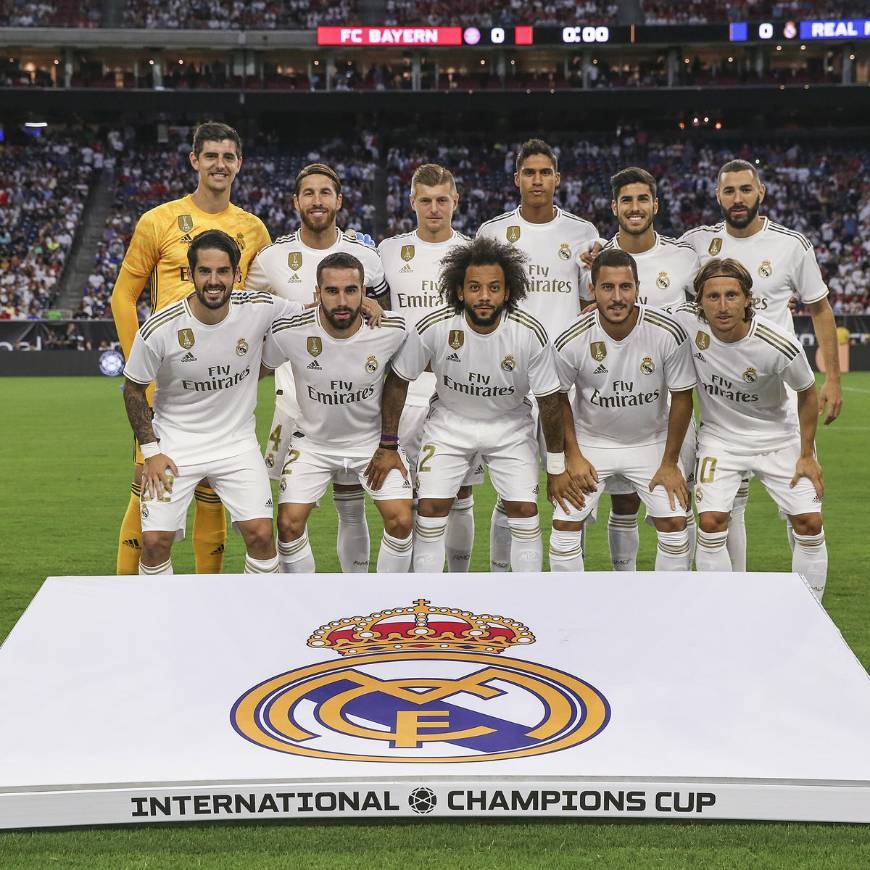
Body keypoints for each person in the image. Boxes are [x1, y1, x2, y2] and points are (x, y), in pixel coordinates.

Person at [111, 121, 271, 575]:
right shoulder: (158, 221)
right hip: (167, 380)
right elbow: (123, 296)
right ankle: (129, 595)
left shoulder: (253, 230)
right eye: (211, 156)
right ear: (194, 160)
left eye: (229, 156)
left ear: (239, 164)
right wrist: (138, 368)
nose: (220, 164)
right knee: (148, 485)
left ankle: (207, 598)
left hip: (222, 383)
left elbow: (261, 307)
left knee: (213, 493)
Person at [370, 236, 583, 574]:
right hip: (450, 424)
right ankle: (430, 600)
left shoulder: (529, 332)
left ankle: (526, 601)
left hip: (510, 425)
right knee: (430, 509)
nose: (484, 296)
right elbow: (398, 381)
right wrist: (388, 445)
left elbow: (551, 401)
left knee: (525, 512)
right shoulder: (434, 326)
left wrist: (556, 467)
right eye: (475, 287)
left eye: (494, 288)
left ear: (508, 292)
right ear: (459, 291)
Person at [679, 158, 841, 571]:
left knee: (800, 506)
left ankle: (806, 603)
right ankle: (734, 596)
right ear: (717, 196)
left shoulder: (790, 245)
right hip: (722, 398)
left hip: (780, 396)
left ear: (761, 193)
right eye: (729, 191)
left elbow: (820, 309)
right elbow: (652, 262)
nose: (737, 199)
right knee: (725, 507)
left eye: (745, 190)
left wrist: (833, 380)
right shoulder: (696, 243)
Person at [122, 230, 303, 576]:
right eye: (205, 271)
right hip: (175, 445)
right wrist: (151, 451)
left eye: (223, 272)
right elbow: (133, 389)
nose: (214, 281)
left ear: (237, 274)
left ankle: (261, 621)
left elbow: (315, 313)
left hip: (236, 445)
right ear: (191, 275)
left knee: (262, 535)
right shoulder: (160, 328)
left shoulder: (261, 308)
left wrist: (367, 304)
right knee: (156, 542)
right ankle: (158, 623)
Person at [245, 163, 388, 574]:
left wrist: (374, 306)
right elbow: (249, 313)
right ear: (296, 202)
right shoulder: (271, 259)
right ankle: (302, 602)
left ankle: (355, 591)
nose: (317, 200)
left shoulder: (366, 255)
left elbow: (384, 320)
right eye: (308, 193)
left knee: (351, 503)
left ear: (339, 201)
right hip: (293, 402)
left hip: (353, 403)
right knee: (290, 518)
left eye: (325, 192)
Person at [476, 138, 599, 571]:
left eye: (545, 172)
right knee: (514, 492)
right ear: (517, 180)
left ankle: (570, 572)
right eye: (529, 172)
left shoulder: (584, 235)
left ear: (558, 179)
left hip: (566, 381)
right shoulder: (492, 233)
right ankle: (501, 577)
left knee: (576, 485)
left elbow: (592, 300)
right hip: (511, 378)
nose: (537, 180)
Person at [674, 259, 827, 599]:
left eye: (732, 295)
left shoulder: (779, 344)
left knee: (809, 524)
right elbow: (642, 314)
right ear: (699, 301)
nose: (723, 305)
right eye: (713, 296)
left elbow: (806, 392)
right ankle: (723, 607)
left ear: (748, 299)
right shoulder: (685, 322)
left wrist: (806, 454)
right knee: (712, 523)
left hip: (778, 437)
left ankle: (812, 612)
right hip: (720, 439)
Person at [261, 252, 412, 574]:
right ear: (318, 294)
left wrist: (388, 444)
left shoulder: (392, 328)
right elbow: (257, 369)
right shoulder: (289, 332)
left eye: (351, 290)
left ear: (364, 293)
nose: (342, 300)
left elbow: (404, 379)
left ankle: (386, 600)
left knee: (401, 520)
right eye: (332, 291)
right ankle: (305, 605)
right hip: (313, 444)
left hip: (370, 443)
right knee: (288, 526)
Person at [550, 248, 696, 572]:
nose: (617, 297)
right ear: (592, 290)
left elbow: (682, 397)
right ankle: (566, 610)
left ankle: (665, 612)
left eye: (625, 287)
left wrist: (671, 462)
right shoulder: (570, 339)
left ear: (638, 288)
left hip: (650, 443)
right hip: (591, 443)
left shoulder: (667, 332)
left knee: (675, 527)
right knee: (564, 528)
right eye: (607, 287)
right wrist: (572, 455)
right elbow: (557, 398)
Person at [598, 167, 702, 570]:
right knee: (623, 499)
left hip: (674, 396)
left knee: (679, 495)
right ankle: (627, 584)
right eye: (627, 200)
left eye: (642, 199)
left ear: (655, 205)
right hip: (619, 400)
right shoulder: (598, 259)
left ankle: (679, 588)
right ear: (614, 207)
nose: (635, 207)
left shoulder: (683, 257)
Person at [378, 163, 478, 572]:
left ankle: (455, 582)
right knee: (409, 497)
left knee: (461, 494)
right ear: (412, 202)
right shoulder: (386, 251)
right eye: (425, 201)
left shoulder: (474, 252)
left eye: (442, 201)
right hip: (405, 388)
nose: (434, 209)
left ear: (455, 202)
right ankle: (410, 590)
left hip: (459, 388)